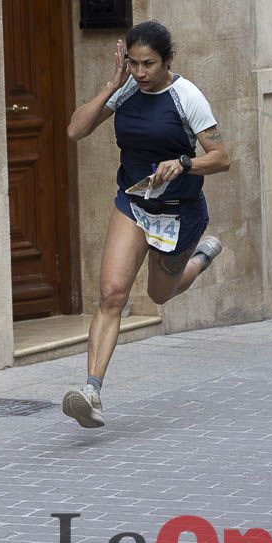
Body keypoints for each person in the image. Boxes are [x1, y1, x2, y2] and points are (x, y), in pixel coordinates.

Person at [62, 21, 230, 429]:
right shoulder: (126, 90)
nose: (140, 72)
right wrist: (111, 84)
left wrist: (186, 162)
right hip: (134, 203)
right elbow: (75, 130)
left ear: (167, 60)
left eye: (148, 64)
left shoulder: (187, 97)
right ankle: (92, 391)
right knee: (111, 294)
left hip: (180, 212)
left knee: (159, 294)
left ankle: (200, 258)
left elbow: (222, 157)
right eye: (133, 63)